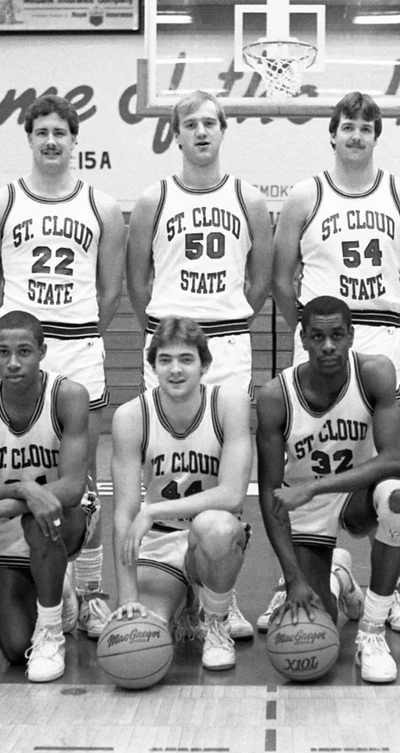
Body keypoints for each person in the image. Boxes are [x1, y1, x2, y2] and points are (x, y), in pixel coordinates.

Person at [265, 92, 400, 634]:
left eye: (366, 127)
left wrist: (384, 327)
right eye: (348, 127)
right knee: (306, 459)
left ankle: (392, 587)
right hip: (317, 334)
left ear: (376, 136)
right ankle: (301, 574)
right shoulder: (304, 195)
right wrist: (315, 331)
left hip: (378, 331)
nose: (356, 135)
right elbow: (280, 278)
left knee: (377, 461)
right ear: (332, 134)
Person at [0, 94, 127, 643]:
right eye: (42, 132)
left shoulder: (102, 207)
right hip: (21, 348)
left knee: (81, 480)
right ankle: (7, 590)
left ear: (75, 137)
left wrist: (76, 332)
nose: (52, 141)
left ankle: (87, 593)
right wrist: (20, 342)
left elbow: (111, 290)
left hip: (80, 347)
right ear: (29, 138)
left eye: (62, 131)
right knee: (6, 469)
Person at [126, 90, 273, 639]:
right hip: (167, 344)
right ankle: (165, 568)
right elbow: (137, 280)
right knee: (160, 464)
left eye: (212, 122)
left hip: (229, 343)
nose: (202, 132)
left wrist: (225, 319)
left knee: (224, 464)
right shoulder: (153, 199)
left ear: (223, 130)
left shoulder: (248, 199)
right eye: (192, 124)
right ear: (177, 133)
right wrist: (170, 334)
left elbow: (259, 277)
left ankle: (221, 596)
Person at [256, 296, 400, 683]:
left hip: (354, 494)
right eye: (318, 336)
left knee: (397, 495)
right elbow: (269, 493)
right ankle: (338, 578)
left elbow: (394, 459)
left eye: (337, 336)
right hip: (302, 507)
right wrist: (292, 578)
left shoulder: (376, 372)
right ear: (304, 339)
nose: (328, 346)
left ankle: (374, 631)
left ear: (351, 337)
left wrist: (315, 488)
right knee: (318, 619)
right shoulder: (276, 396)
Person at [0, 311, 92, 683]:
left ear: (43, 351)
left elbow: (73, 487)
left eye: (24, 351)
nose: (13, 363)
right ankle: (57, 588)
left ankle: (50, 632)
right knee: (14, 650)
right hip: (10, 532)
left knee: (39, 521)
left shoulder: (68, 395)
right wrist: (22, 489)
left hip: (65, 518)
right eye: (3, 353)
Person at [109, 317, 253, 674]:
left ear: (205, 365)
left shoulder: (229, 403)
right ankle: (187, 604)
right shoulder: (131, 416)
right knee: (145, 634)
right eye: (165, 360)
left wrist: (152, 511)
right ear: (153, 365)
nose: (175, 369)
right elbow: (125, 512)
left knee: (216, 525)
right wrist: (127, 598)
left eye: (186, 359)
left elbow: (232, 495)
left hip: (208, 541)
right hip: (160, 543)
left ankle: (216, 622)